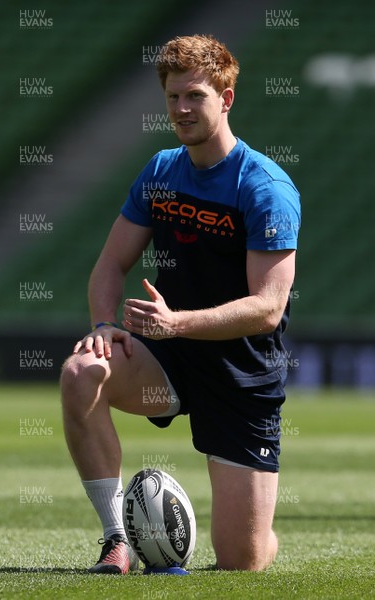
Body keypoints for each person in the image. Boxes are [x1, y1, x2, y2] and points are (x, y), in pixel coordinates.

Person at [60, 33, 301, 574]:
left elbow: (267, 307)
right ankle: (117, 540)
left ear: (227, 98)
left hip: (242, 372)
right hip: (167, 360)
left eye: (195, 95)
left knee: (243, 562)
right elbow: (109, 265)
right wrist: (103, 324)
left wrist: (176, 322)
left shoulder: (265, 187)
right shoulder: (162, 171)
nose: (182, 109)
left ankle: (257, 531)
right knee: (81, 371)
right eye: (173, 97)